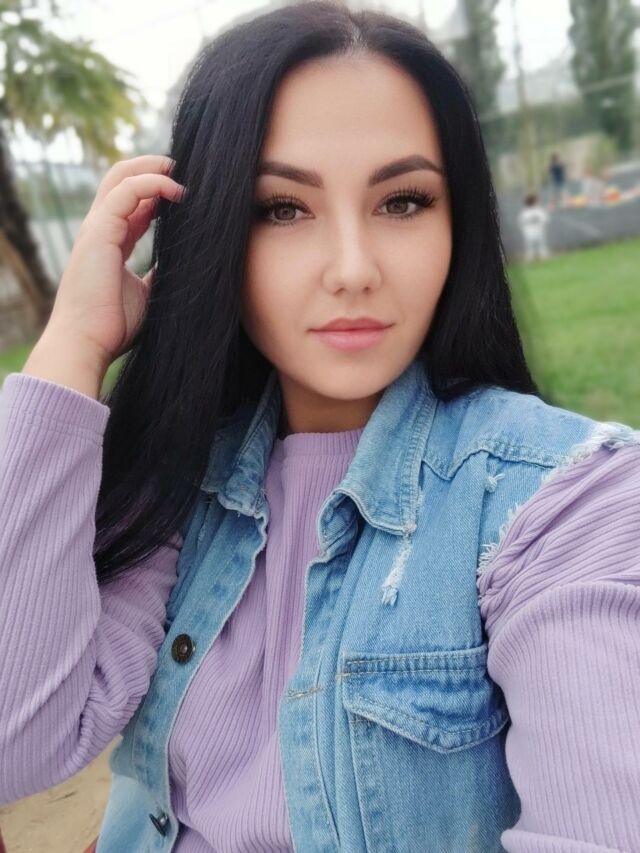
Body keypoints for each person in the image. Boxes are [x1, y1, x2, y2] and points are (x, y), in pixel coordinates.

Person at [0, 3, 639, 852]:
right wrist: (71, 347)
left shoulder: (564, 503)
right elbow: (19, 740)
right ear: (214, 234)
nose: (352, 269)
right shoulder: (179, 486)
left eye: (403, 201)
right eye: (281, 209)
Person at [517, 192, 550, 261]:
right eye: (536, 200)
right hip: (529, 231)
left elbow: (545, 219)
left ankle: (543, 257)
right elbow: (521, 223)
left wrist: (541, 225)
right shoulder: (525, 212)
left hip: (538, 230)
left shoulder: (538, 210)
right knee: (530, 247)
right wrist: (524, 230)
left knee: (541, 246)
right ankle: (531, 258)